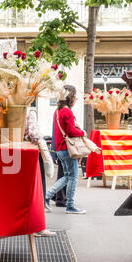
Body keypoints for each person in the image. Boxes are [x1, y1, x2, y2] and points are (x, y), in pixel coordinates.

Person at [44, 85, 86, 214]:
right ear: (70, 97)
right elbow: (70, 131)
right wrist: (82, 132)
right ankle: (70, 206)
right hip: (68, 149)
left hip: (60, 149)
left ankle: (46, 197)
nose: (76, 99)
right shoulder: (67, 111)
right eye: (75, 97)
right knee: (73, 178)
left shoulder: (58, 111)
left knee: (67, 176)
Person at [24, 110, 56, 237]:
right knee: (38, 190)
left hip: (18, 155)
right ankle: (38, 227)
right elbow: (34, 134)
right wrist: (40, 137)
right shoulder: (29, 112)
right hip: (32, 153)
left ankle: (31, 225)